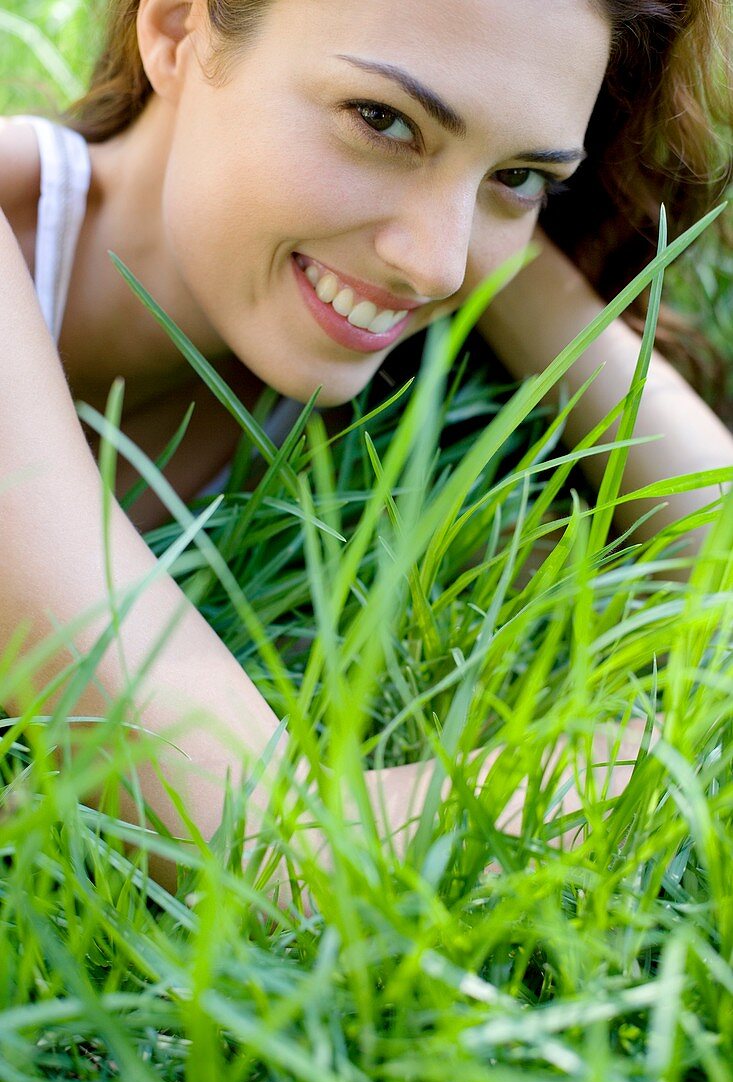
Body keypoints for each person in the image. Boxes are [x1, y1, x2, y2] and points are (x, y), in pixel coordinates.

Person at [0, 0, 731, 893]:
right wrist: (642, 761)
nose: (437, 266)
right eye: (382, 120)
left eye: (525, 176)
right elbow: (272, 849)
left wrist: (525, 266)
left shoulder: (378, 395)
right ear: (177, 31)